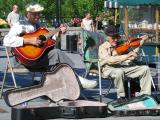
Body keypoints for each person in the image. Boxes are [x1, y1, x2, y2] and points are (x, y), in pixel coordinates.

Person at [3, 3, 97, 89]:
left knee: (56, 53)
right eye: (34, 14)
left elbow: (48, 44)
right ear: (28, 13)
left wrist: (58, 34)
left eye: (39, 14)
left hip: (39, 58)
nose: (37, 17)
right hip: (25, 61)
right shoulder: (20, 25)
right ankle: (77, 80)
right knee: (56, 54)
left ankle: (69, 83)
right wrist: (29, 40)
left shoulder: (39, 26)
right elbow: (6, 40)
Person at [98, 25, 152, 101]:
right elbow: (109, 60)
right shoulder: (102, 47)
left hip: (121, 67)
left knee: (145, 69)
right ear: (107, 38)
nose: (116, 40)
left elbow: (131, 56)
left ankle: (145, 95)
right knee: (118, 72)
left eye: (117, 37)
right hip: (108, 69)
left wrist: (139, 45)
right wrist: (126, 56)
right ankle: (121, 96)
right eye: (113, 38)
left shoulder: (119, 45)